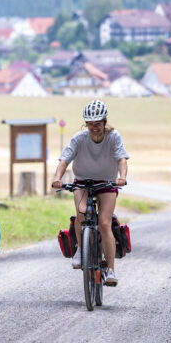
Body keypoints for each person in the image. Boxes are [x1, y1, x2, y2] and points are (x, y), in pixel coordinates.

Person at [51, 99, 129, 286]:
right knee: (81, 213)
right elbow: (64, 160)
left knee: (104, 223)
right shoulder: (79, 138)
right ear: (86, 124)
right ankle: (81, 250)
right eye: (90, 124)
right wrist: (57, 178)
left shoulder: (113, 137)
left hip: (107, 182)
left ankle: (110, 270)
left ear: (104, 122)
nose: (94, 127)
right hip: (83, 182)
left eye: (98, 124)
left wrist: (122, 177)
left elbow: (122, 159)